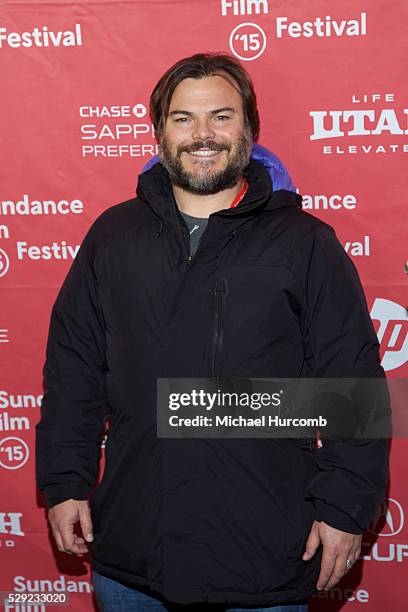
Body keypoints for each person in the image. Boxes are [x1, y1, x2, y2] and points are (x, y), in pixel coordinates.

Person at [36, 53, 389, 611]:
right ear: (158, 132)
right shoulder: (113, 237)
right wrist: (64, 482)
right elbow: (74, 371)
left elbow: (354, 390)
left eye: (221, 117)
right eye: (183, 119)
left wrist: (344, 509)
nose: (203, 135)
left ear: (249, 129)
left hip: (265, 555)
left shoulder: (305, 244)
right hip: (133, 553)